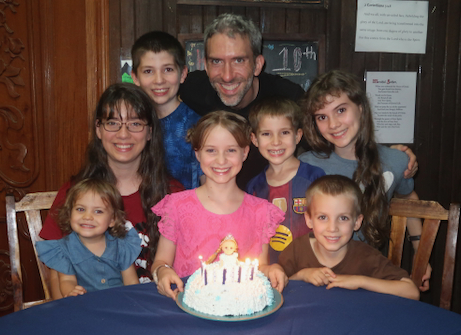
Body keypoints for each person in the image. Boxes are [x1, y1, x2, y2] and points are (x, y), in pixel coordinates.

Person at [178, 13, 418, 188]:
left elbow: (333, 130)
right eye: (216, 61)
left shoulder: (290, 97)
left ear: (258, 64)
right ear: (205, 65)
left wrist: (386, 155)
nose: (227, 75)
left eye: (239, 60)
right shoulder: (191, 87)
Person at [40, 83, 183, 289]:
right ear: (98, 129)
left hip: (157, 303)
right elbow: (56, 271)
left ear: (149, 132)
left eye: (135, 123)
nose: (123, 134)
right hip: (89, 305)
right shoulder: (76, 192)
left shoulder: (174, 194)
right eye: (113, 123)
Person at [298, 70, 430, 291]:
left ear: (360, 107)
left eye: (341, 110)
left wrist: (420, 253)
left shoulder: (396, 161)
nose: (333, 124)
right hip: (316, 276)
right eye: (322, 117)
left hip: (369, 275)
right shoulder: (306, 165)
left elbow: (408, 200)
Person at [151, 111, 286, 300]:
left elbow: (260, 267)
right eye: (211, 150)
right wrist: (163, 271)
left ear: (244, 152)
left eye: (231, 150)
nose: (221, 160)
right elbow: (161, 261)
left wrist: (271, 269)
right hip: (186, 308)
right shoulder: (177, 206)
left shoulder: (261, 212)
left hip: (240, 308)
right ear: (197, 153)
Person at [278, 175, 420, 300]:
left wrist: (360, 281)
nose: (332, 228)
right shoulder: (297, 250)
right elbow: (275, 291)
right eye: (323, 217)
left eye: (343, 218)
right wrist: (301, 276)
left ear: (357, 222)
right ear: (309, 220)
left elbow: (411, 291)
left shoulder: (366, 256)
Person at [245, 97, 325, 263]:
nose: (276, 142)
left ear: (297, 136)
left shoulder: (314, 178)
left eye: (284, 132)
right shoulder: (253, 187)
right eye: (266, 134)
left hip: (311, 268)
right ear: (254, 140)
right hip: (269, 270)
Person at [35, 178, 142, 297]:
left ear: (112, 220)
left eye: (98, 211)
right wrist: (71, 291)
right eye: (80, 209)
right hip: (83, 304)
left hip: (118, 302)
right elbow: (67, 280)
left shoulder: (122, 245)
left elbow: (131, 282)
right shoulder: (63, 250)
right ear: (69, 214)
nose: (87, 217)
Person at [131, 31, 203, 189]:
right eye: (148, 71)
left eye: (168, 69)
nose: (159, 80)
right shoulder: (131, 126)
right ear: (135, 77)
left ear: (183, 74)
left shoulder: (199, 126)